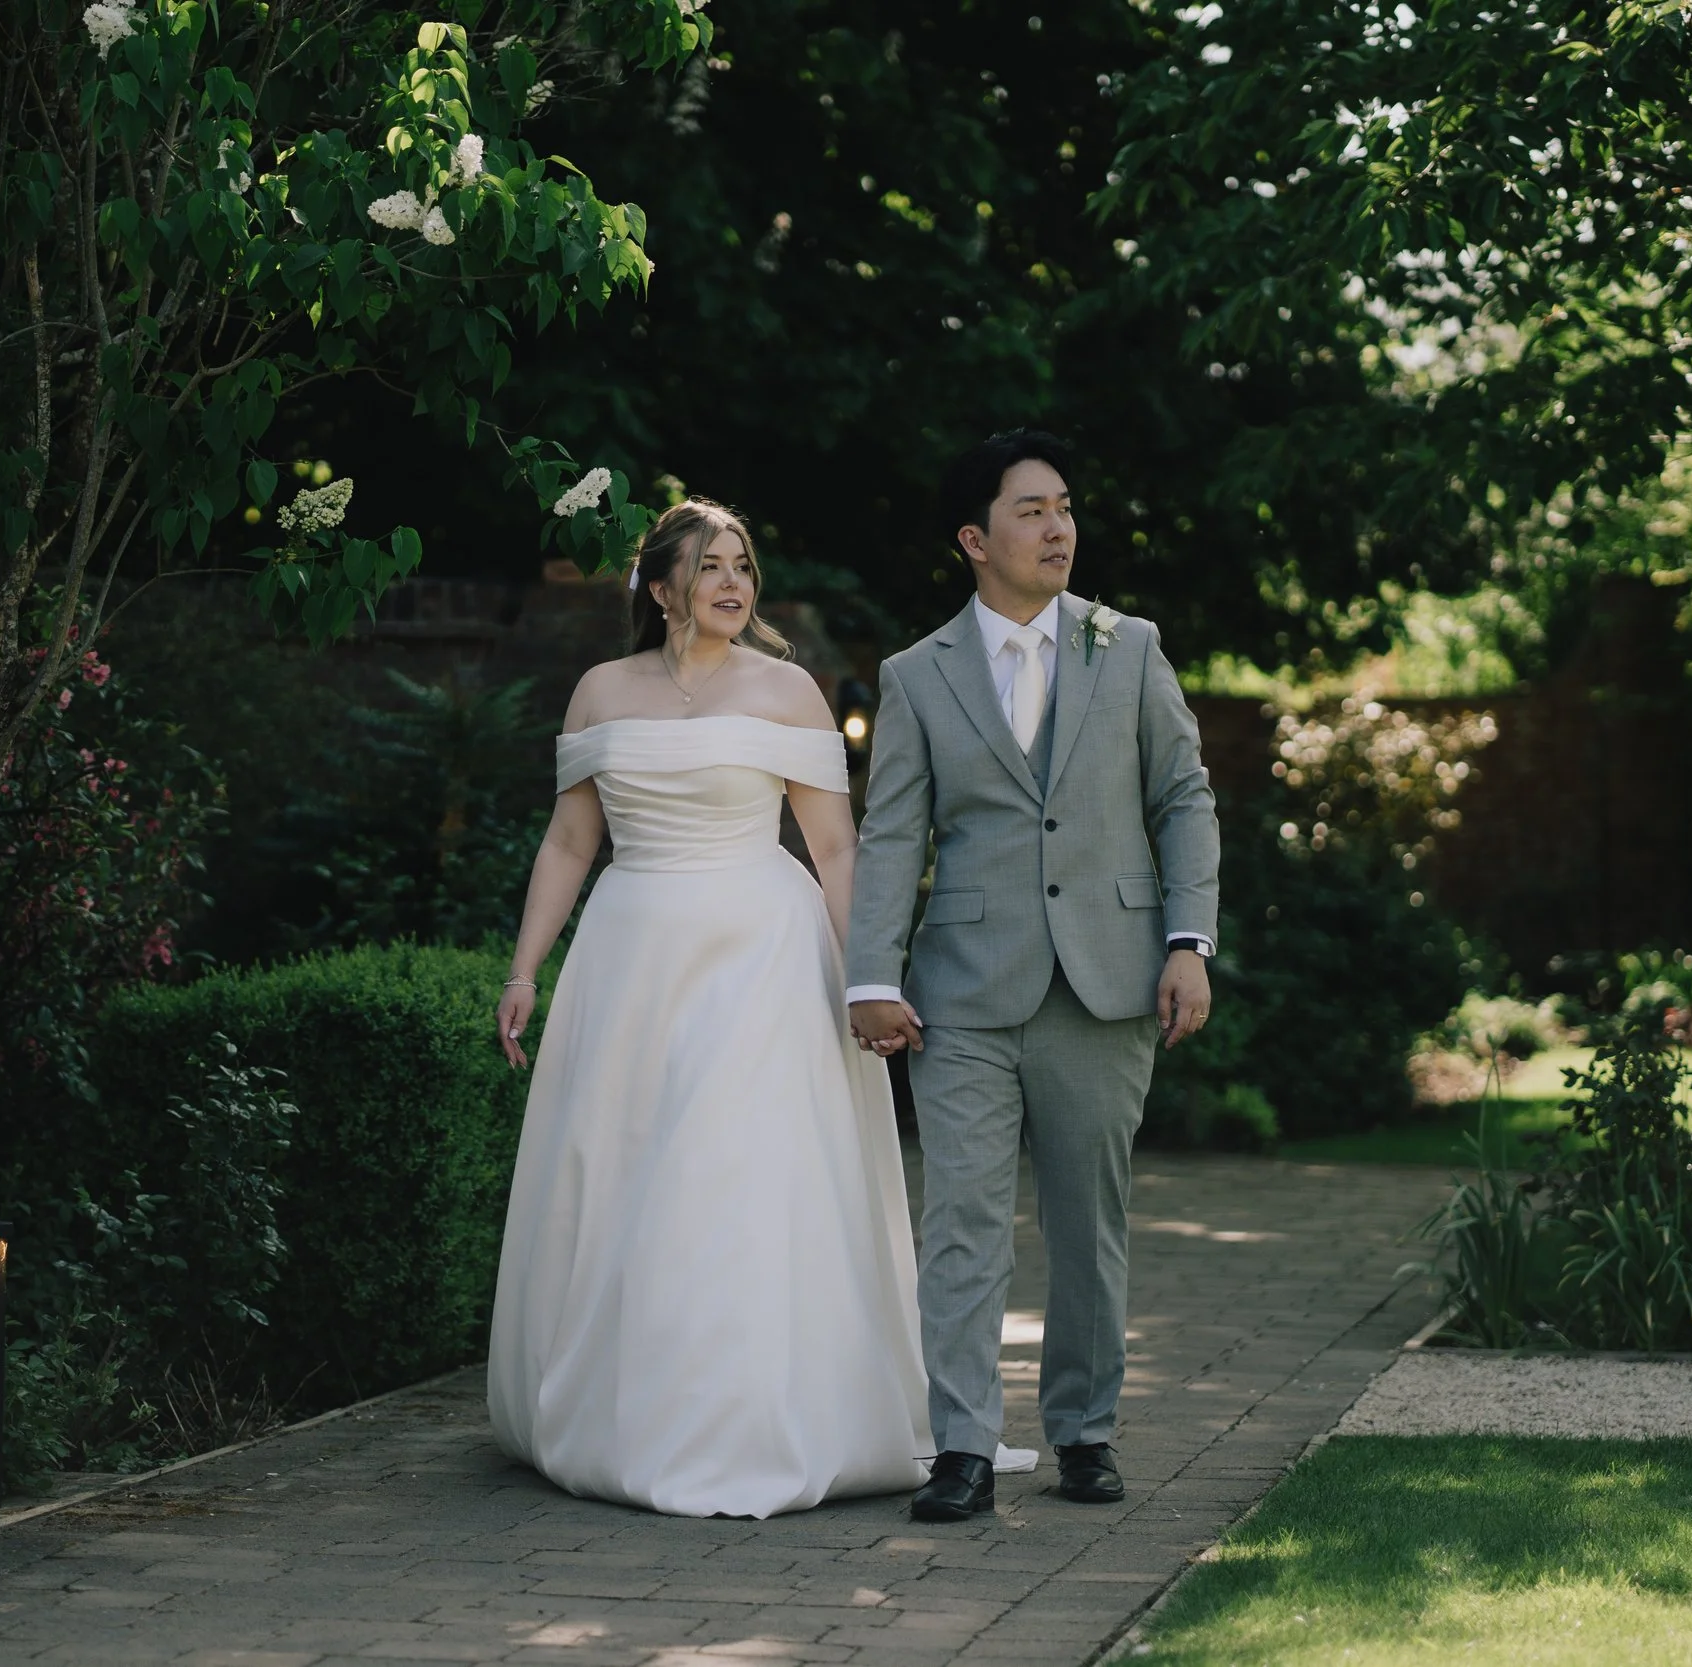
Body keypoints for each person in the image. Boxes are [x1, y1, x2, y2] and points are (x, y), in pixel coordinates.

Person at [485, 498, 932, 1518]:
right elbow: (568, 841)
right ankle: (627, 1406)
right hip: (631, 951)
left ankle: (751, 1410)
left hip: (762, 950)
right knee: (629, 1167)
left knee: (729, 1165)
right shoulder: (601, 690)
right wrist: (525, 968)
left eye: (742, 563)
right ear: (659, 587)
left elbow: (833, 849)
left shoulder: (788, 692)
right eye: (709, 564)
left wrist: (871, 977)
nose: (733, 581)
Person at [846, 430, 1221, 1522]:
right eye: (1029, 510)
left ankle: (1084, 1429)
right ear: (975, 538)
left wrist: (1188, 941)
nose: (1057, 526)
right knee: (959, 1219)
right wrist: (872, 971)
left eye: (1064, 505)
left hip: (1108, 983)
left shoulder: (1131, 646)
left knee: (1086, 1222)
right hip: (961, 989)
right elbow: (890, 832)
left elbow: (1183, 801)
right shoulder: (917, 676)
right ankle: (961, 1443)